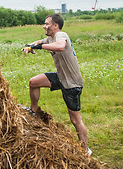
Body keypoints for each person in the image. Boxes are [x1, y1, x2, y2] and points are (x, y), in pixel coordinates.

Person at [22, 13, 90, 155]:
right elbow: (39, 42)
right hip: (61, 77)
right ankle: (33, 111)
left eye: (47, 24)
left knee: (75, 119)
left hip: (72, 83)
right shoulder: (50, 38)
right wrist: (29, 46)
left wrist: (40, 47)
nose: (44, 26)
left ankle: (85, 151)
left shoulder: (61, 35)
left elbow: (59, 47)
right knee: (33, 82)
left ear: (55, 26)